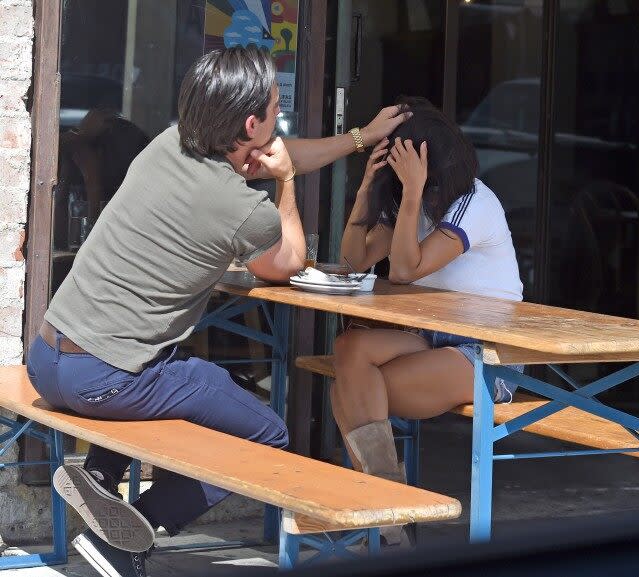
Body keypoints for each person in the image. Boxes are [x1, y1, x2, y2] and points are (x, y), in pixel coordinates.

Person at [26, 45, 409, 577]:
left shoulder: (167, 144)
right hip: (103, 380)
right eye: (275, 109)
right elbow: (290, 260)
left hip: (47, 358)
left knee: (173, 360)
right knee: (265, 432)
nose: (280, 119)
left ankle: (98, 478)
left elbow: (288, 148)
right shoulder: (243, 210)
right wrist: (287, 183)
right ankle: (132, 534)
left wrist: (361, 137)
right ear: (250, 124)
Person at [332, 96, 524, 546]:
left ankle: (384, 513)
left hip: (487, 353)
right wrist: (367, 188)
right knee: (349, 351)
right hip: (430, 336)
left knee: (354, 388)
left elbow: (403, 269)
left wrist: (414, 194)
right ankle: (391, 514)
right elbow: (353, 257)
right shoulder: (408, 205)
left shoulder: (473, 202)